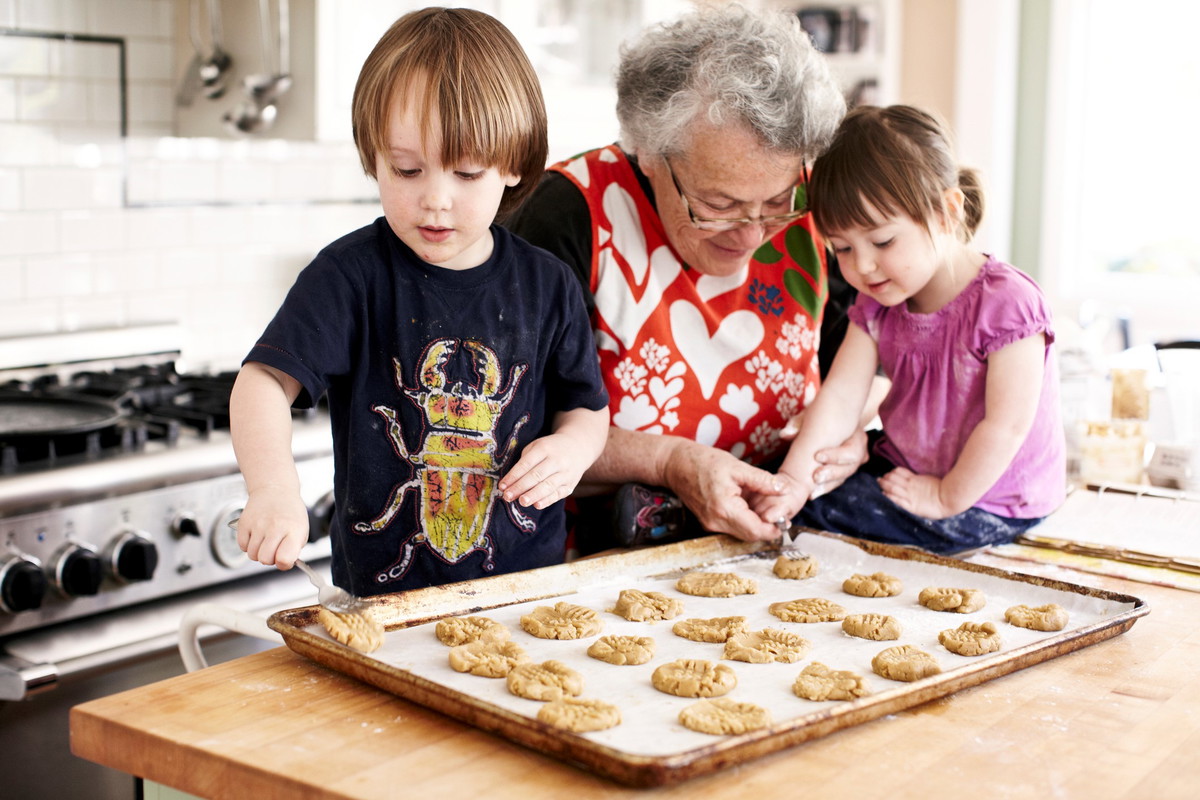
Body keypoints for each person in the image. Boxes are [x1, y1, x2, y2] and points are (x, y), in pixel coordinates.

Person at [229, 7, 610, 596]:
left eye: (465, 172)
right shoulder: (349, 276)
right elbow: (261, 383)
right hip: (381, 601)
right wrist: (274, 489)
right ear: (372, 158)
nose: (435, 199)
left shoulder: (550, 284)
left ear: (511, 165)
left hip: (525, 595)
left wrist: (572, 450)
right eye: (406, 170)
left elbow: (585, 408)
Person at [505, 4, 870, 552]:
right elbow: (513, 428)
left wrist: (853, 435)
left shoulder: (818, 208)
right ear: (649, 150)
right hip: (597, 561)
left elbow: (867, 362)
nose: (752, 234)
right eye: (718, 204)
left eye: (775, 202)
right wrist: (672, 462)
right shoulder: (569, 215)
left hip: (782, 547)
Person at [756, 104, 1066, 554]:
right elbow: (842, 396)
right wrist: (794, 479)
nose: (861, 266)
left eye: (882, 241)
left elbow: (1007, 427)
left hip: (990, 497)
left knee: (825, 517)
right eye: (841, 248)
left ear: (945, 212)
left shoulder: (1007, 303)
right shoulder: (878, 304)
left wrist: (944, 496)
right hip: (912, 466)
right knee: (798, 485)